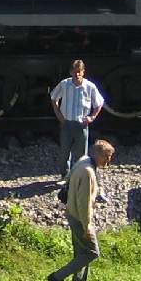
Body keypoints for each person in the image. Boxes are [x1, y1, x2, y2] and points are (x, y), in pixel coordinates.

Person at [47, 139, 115, 281]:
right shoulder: (88, 173)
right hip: (79, 217)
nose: (108, 161)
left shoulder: (83, 161)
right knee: (92, 252)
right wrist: (87, 226)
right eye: (107, 157)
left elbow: (69, 179)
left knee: (81, 253)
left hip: (71, 212)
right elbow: (84, 203)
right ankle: (57, 277)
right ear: (98, 155)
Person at [50, 59, 107, 201]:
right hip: (67, 123)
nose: (77, 75)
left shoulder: (90, 86)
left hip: (81, 125)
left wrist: (92, 117)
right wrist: (59, 116)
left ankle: (77, 178)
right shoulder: (64, 84)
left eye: (79, 72)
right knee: (64, 152)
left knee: (81, 154)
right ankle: (65, 176)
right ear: (70, 72)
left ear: (83, 72)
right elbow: (53, 98)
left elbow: (99, 103)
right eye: (74, 72)